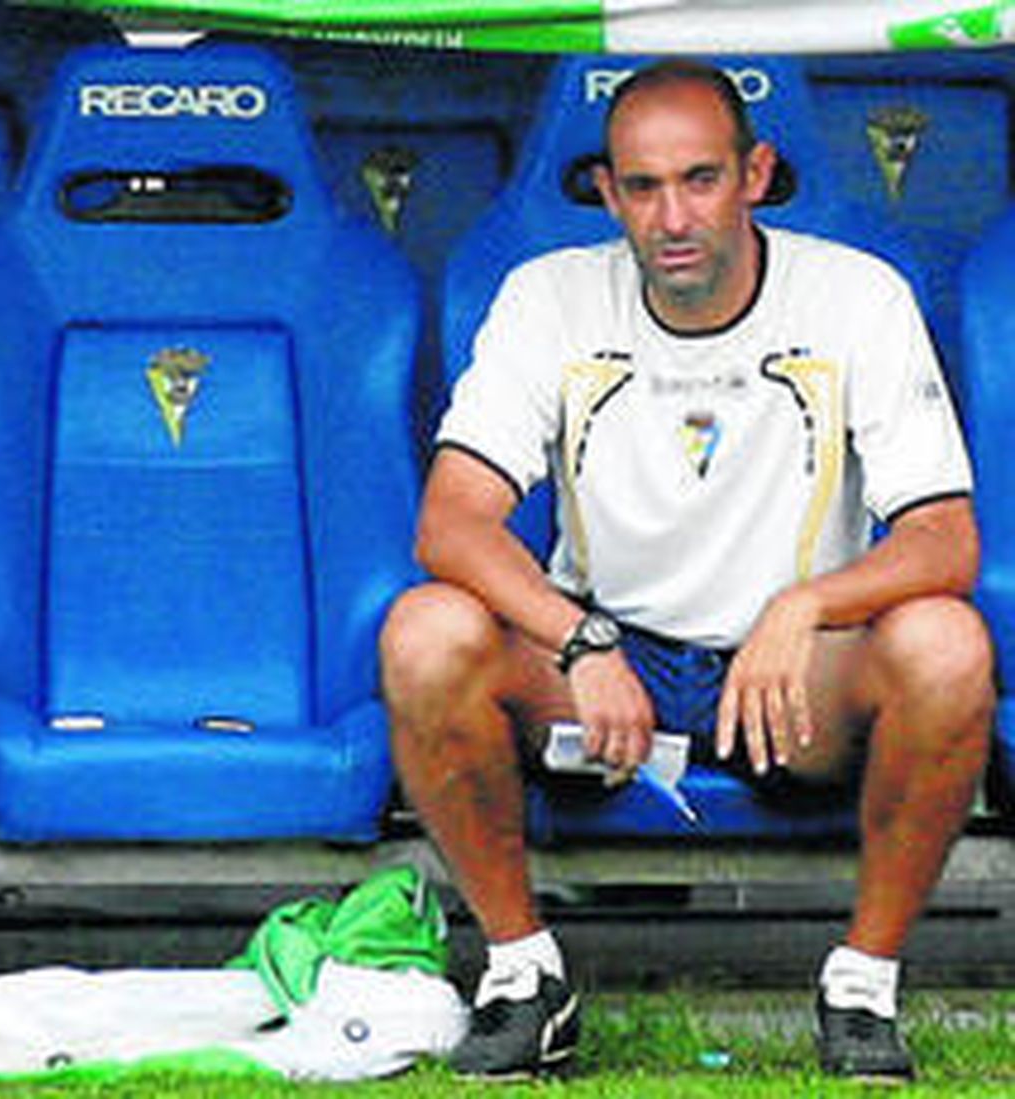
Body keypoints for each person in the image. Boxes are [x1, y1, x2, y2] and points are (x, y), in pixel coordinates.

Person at [379, 59, 992, 1083]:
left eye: (699, 179)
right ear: (607, 191)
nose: (672, 216)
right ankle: (525, 975)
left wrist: (804, 606)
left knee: (946, 644)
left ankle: (861, 986)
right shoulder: (550, 297)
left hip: (796, 684)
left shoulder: (854, 295)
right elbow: (450, 523)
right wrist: (580, 637)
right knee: (424, 631)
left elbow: (944, 539)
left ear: (755, 173)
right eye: (643, 186)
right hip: (607, 672)